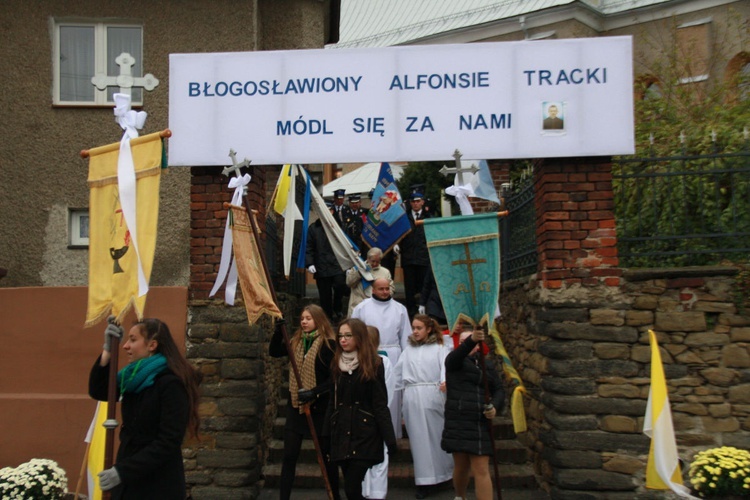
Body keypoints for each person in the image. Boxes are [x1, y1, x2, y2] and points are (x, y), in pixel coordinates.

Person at [88, 317, 202, 499]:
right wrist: (108, 349)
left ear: (152, 345)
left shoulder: (171, 384)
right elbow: (100, 390)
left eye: (133, 340)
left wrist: (122, 471)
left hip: (157, 484)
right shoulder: (132, 379)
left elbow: (168, 441)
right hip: (128, 481)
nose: (126, 346)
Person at [269, 305, 341, 500]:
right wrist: (278, 332)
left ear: (318, 320)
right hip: (296, 407)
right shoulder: (296, 342)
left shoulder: (329, 345)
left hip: (319, 409)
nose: (304, 322)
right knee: (289, 456)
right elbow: (274, 352)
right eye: (302, 318)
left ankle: (335, 496)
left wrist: (313, 393)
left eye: (308, 318)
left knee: (326, 458)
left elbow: (334, 379)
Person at [323, 318, 397, 500]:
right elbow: (333, 400)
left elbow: (380, 404)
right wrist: (325, 434)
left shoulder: (374, 364)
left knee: (352, 486)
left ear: (359, 337)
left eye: (348, 335)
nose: (343, 340)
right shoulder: (336, 364)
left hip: (365, 433)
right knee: (352, 488)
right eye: (340, 335)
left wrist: (390, 439)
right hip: (342, 432)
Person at [394, 315, 453, 499]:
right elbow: (397, 374)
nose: (415, 331)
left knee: (437, 437)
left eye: (419, 328)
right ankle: (424, 480)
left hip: (433, 394)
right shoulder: (409, 350)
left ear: (429, 329)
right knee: (419, 442)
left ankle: (444, 474)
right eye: (413, 327)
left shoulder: (440, 348)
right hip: (413, 396)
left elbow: (446, 367)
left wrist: (445, 381)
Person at [442, 327, 505, 500]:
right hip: (459, 419)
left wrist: (495, 406)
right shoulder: (454, 362)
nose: (466, 345)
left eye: (470, 341)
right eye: (462, 342)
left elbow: (499, 389)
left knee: (481, 467)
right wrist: (471, 339)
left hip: (480, 420)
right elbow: (455, 358)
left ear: (478, 346)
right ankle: (460, 496)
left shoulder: (487, 365)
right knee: (461, 466)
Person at [351, 277, 412, 438]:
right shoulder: (362, 308)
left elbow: (406, 336)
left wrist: (406, 359)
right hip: (369, 355)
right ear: (373, 289)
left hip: (393, 354)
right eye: (381, 289)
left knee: (392, 395)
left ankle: (391, 434)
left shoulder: (400, 309)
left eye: (387, 289)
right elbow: (355, 334)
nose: (385, 292)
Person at [362, 325, 397, 500]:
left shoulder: (384, 362)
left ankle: (377, 494)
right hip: (359, 418)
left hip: (376, 417)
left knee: (379, 458)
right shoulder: (352, 361)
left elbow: (388, 391)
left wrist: (378, 412)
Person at [306, 202, 347, 321]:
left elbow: (347, 244)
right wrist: (310, 263)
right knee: (325, 294)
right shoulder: (314, 228)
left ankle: (337, 307)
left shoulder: (339, 226)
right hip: (321, 265)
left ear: (332, 212)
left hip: (337, 264)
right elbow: (309, 247)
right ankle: (327, 317)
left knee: (340, 285)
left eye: (328, 210)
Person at [398, 189, 431, 318]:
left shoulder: (428, 217)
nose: (415, 204)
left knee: (424, 286)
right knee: (409, 288)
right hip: (409, 258)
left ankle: (424, 311)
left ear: (422, 202)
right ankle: (411, 313)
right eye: (413, 202)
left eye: (418, 201)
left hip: (423, 258)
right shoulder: (405, 218)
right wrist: (397, 245)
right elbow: (399, 234)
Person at [345, 247, 394, 317]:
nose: (374, 264)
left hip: (377, 309)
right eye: (373, 261)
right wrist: (359, 273)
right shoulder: (357, 268)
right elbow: (349, 283)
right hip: (356, 307)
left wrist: (383, 295)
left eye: (377, 262)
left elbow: (391, 289)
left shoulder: (385, 272)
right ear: (368, 259)